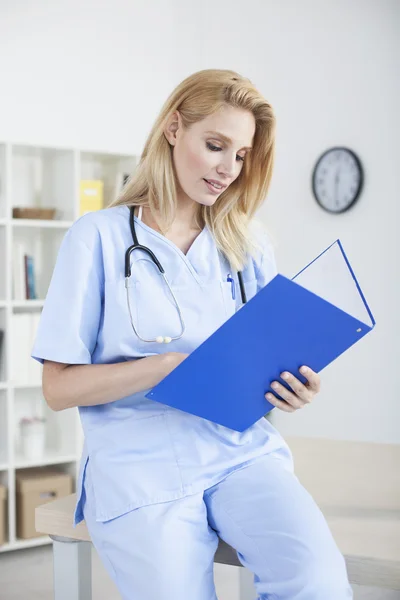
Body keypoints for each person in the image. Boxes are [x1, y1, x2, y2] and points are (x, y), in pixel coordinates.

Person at [32, 69, 353, 600]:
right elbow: (58, 388)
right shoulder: (99, 238)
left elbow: (266, 353)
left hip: (238, 451)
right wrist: (162, 367)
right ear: (174, 129)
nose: (229, 169)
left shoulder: (246, 242)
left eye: (242, 155)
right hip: (140, 465)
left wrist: (295, 385)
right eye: (216, 145)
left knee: (318, 581)